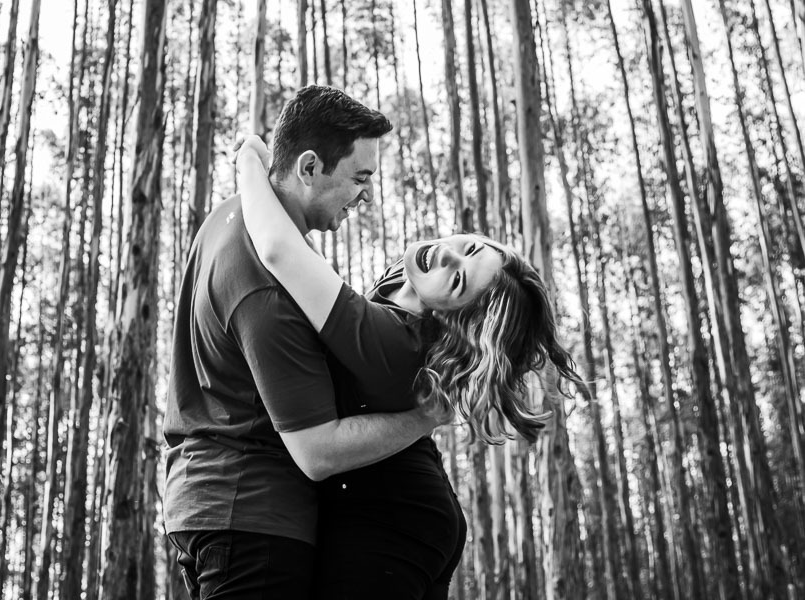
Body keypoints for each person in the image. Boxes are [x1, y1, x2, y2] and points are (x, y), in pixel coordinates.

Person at [235, 134, 582, 599]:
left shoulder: (395, 339)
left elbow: (279, 251)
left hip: (392, 517)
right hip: (408, 513)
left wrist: (250, 159)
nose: (446, 255)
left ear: (450, 321)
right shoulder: (396, 296)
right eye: (470, 248)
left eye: (456, 280)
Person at [163, 86, 451, 600]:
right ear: (311, 167)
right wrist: (424, 417)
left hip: (209, 504)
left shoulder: (230, 213)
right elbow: (317, 453)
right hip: (253, 518)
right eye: (360, 178)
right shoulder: (269, 287)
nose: (367, 196)